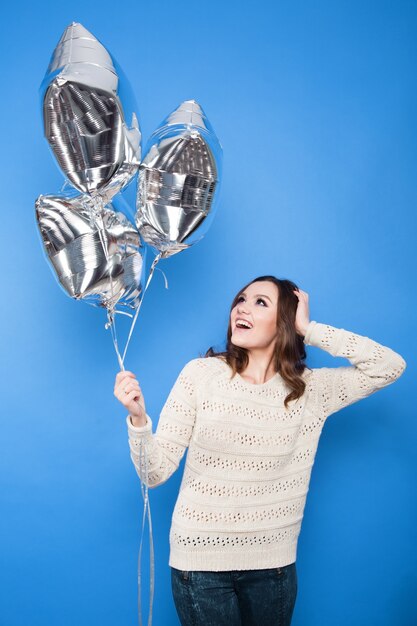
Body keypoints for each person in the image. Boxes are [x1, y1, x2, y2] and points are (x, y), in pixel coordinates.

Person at [114, 276, 406, 626]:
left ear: (284, 321)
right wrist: (139, 420)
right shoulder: (201, 375)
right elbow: (155, 473)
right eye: (240, 299)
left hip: (273, 569)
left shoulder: (312, 390)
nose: (242, 307)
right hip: (199, 567)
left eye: (260, 302)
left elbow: (389, 366)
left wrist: (309, 329)